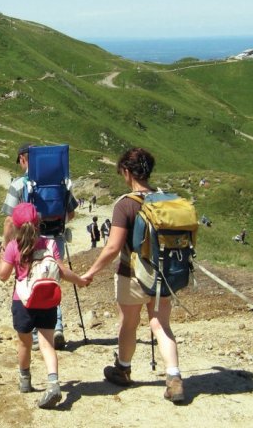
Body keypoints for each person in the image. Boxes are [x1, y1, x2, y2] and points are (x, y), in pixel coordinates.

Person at [80, 147, 186, 404]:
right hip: (165, 275)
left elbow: (113, 247)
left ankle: (123, 369)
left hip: (133, 275)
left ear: (127, 172)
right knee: (161, 324)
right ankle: (174, 377)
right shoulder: (165, 200)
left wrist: (90, 272)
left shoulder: (126, 203)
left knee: (128, 323)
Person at [0, 202, 87, 409]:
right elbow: (61, 271)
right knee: (47, 343)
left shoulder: (13, 247)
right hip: (46, 299)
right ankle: (53, 383)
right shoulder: (49, 244)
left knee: (25, 343)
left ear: (15, 226)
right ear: (38, 223)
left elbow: (3, 275)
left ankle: (25, 380)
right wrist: (80, 280)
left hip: (23, 301)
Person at [1, 143, 78, 350]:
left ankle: (35, 335)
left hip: (27, 241)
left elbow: (9, 220)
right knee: (51, 278)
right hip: (55, 238)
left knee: (28, 282)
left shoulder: (19, 185)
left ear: (24, 159)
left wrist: (6, 244)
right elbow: (71, 214)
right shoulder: (61, 183)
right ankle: (56, 327)